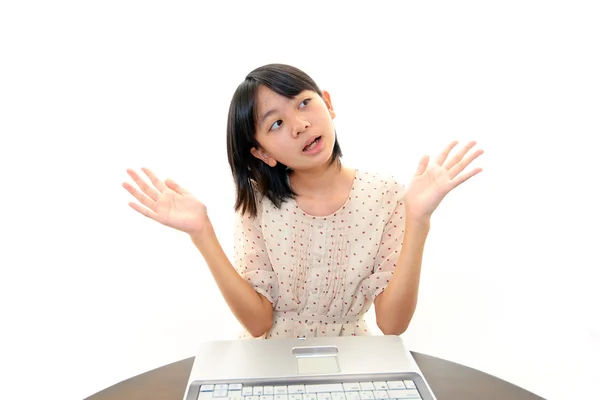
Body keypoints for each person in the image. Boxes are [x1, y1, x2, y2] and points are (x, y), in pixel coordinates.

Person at [122, 63, 483, 340]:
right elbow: (259, 323)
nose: (299, 125)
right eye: (275, 123)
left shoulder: (385, 194)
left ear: (328, 103)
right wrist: (201, 232)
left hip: (353, 363)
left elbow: (392, 325)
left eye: (304, 104)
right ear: (262, 153)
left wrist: (418, 219)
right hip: (267, 366)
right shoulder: (258, 206)